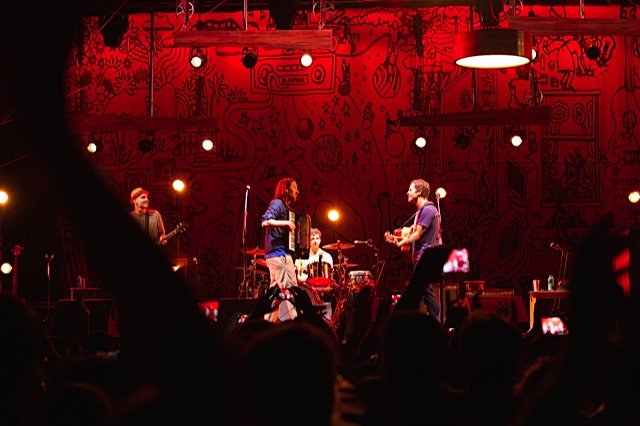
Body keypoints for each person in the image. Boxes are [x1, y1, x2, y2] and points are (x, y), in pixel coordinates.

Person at [385, 179, 441, 321]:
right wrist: (396, 239)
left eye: (410, 189)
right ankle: (429, 321)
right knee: (422, 291)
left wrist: (400, 242)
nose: (407, 192)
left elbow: (417, 234)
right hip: (422, 256)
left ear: (419, 191)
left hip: (425, 257)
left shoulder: (428, 209)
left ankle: (433, 320)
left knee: (421, 290)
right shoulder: (421, 211)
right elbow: (412, 235)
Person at [261, 178, 299, 321]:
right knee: (291, 290)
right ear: (286, 189)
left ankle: (265, 326)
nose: (297, 191)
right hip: (278, 254)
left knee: (275, 295)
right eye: (294, 187)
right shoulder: (277, 203)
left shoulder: (285, 207)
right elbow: (265, 221)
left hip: (279, 253)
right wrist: (286, 223)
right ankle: (298, 326)